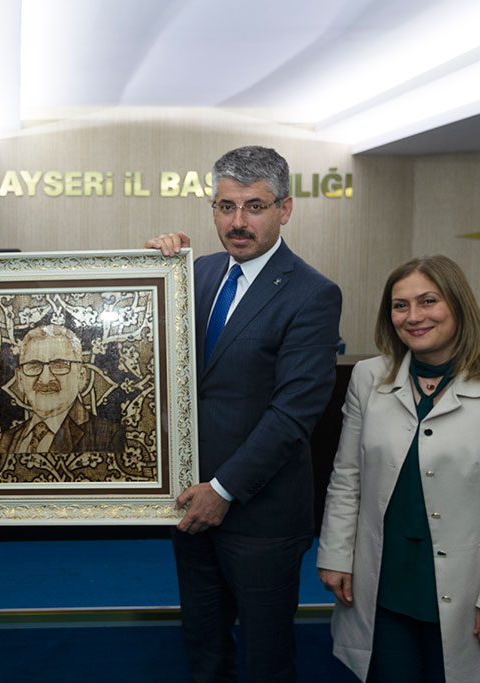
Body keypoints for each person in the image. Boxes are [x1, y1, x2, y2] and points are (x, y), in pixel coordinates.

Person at [146, 145, 342, 681]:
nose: (238, 222)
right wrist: (145, 273)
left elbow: (293, 413)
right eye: (226, 206)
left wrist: (224, 489)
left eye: (255, 206)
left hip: (261, 518)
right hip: (190, 508)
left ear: (285, 209)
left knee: (267, 660)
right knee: (204, 651)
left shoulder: (313, 294)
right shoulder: (194, 274)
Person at [317, 255, 480, 682]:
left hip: (471, 592)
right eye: (400, 305)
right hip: (383, 586)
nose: (413, 317)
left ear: (458, 305)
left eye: (428, 301)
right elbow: (347, 478)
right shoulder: (368, 378)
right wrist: (335, 554)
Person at [0, 324, 125, 455]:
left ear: (81, 376)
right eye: (34, 366)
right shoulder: (9, 439)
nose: (45, 379)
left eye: (59, 365)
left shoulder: (109, 437)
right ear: (20, 379)